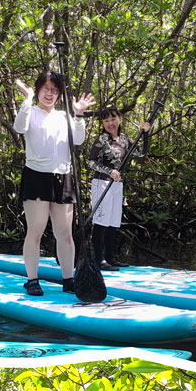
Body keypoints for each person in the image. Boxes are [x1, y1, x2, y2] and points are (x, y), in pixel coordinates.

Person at [13, 72, 95, 296]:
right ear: (38, 89)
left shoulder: (64, 116)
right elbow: (20, 127)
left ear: (59, 94)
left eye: (54, 90)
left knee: (65, 233)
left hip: (62, 177)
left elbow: (78, 140)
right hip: (36, 176)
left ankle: (69, 279)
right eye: (45, 89)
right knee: (36, 230)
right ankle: (32, 279)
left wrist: (78, 115)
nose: (49, 94)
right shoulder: (31, 111)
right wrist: (27, 98)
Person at [87, 106, 152, 271]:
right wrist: (109, 171)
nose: (110, 123)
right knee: (101, 222)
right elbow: (91, 162)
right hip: (101, 183)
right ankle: (99, 260)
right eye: (106, 120)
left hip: (117, 185)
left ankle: (110, 258)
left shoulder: (124, 138)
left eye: (113, 119)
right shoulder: (102, 139)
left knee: (113, 222)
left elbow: (141, 153)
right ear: (102, 123)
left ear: (119, 119)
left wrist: (145, 134)